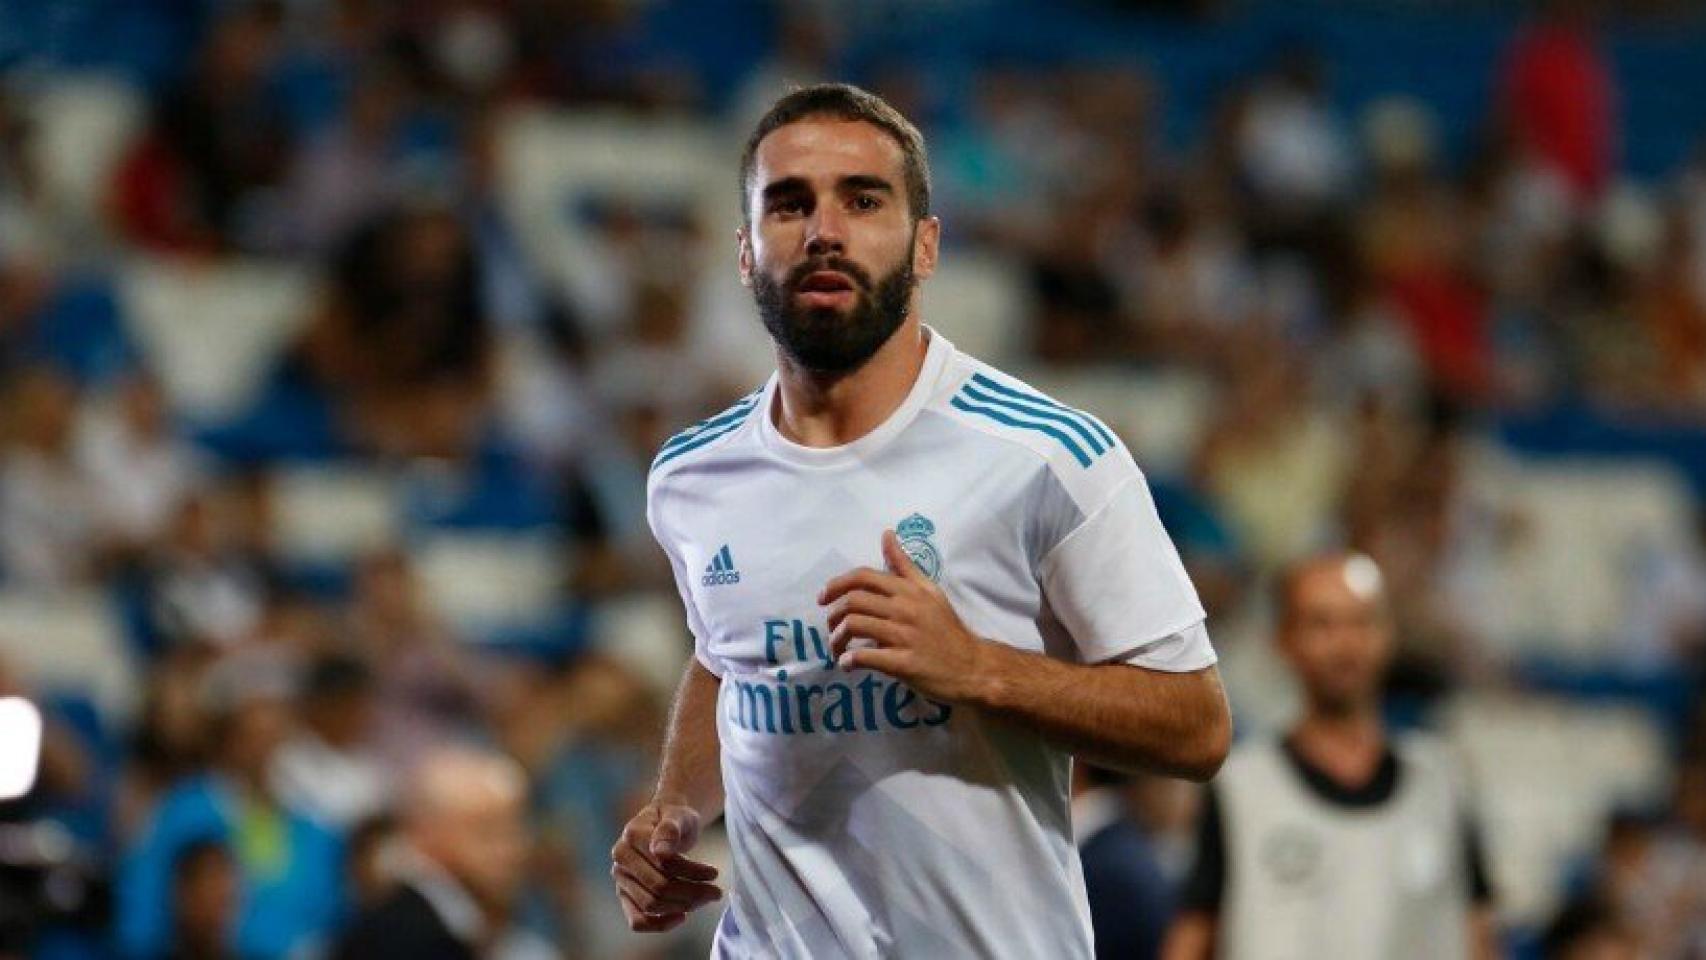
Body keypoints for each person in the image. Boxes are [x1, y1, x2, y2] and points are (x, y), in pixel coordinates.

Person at [610, 83, 1232, 958]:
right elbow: (729, 659)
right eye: (789, 205)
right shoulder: (691, 475)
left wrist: (979, 668)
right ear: (747, 253)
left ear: (926, 243)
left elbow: (1198, 726)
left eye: (863, 200)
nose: (824, 229)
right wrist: (675, 806)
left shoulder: (1046, 455)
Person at [1162, 552, 1497, 960]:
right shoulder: (1242, 788)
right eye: (1322, 624)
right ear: (1282, 640)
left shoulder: (1443, 782)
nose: (1345, 644)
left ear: (1388, 634)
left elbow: (1478, 932)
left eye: (1362, 622)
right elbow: (1193, 937)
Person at [331, 745, 552, 960]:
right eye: (487, 831)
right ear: (425, 832)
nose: (513, 848)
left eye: (517, 828)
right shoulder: (402, 938)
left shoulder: (458, 928)